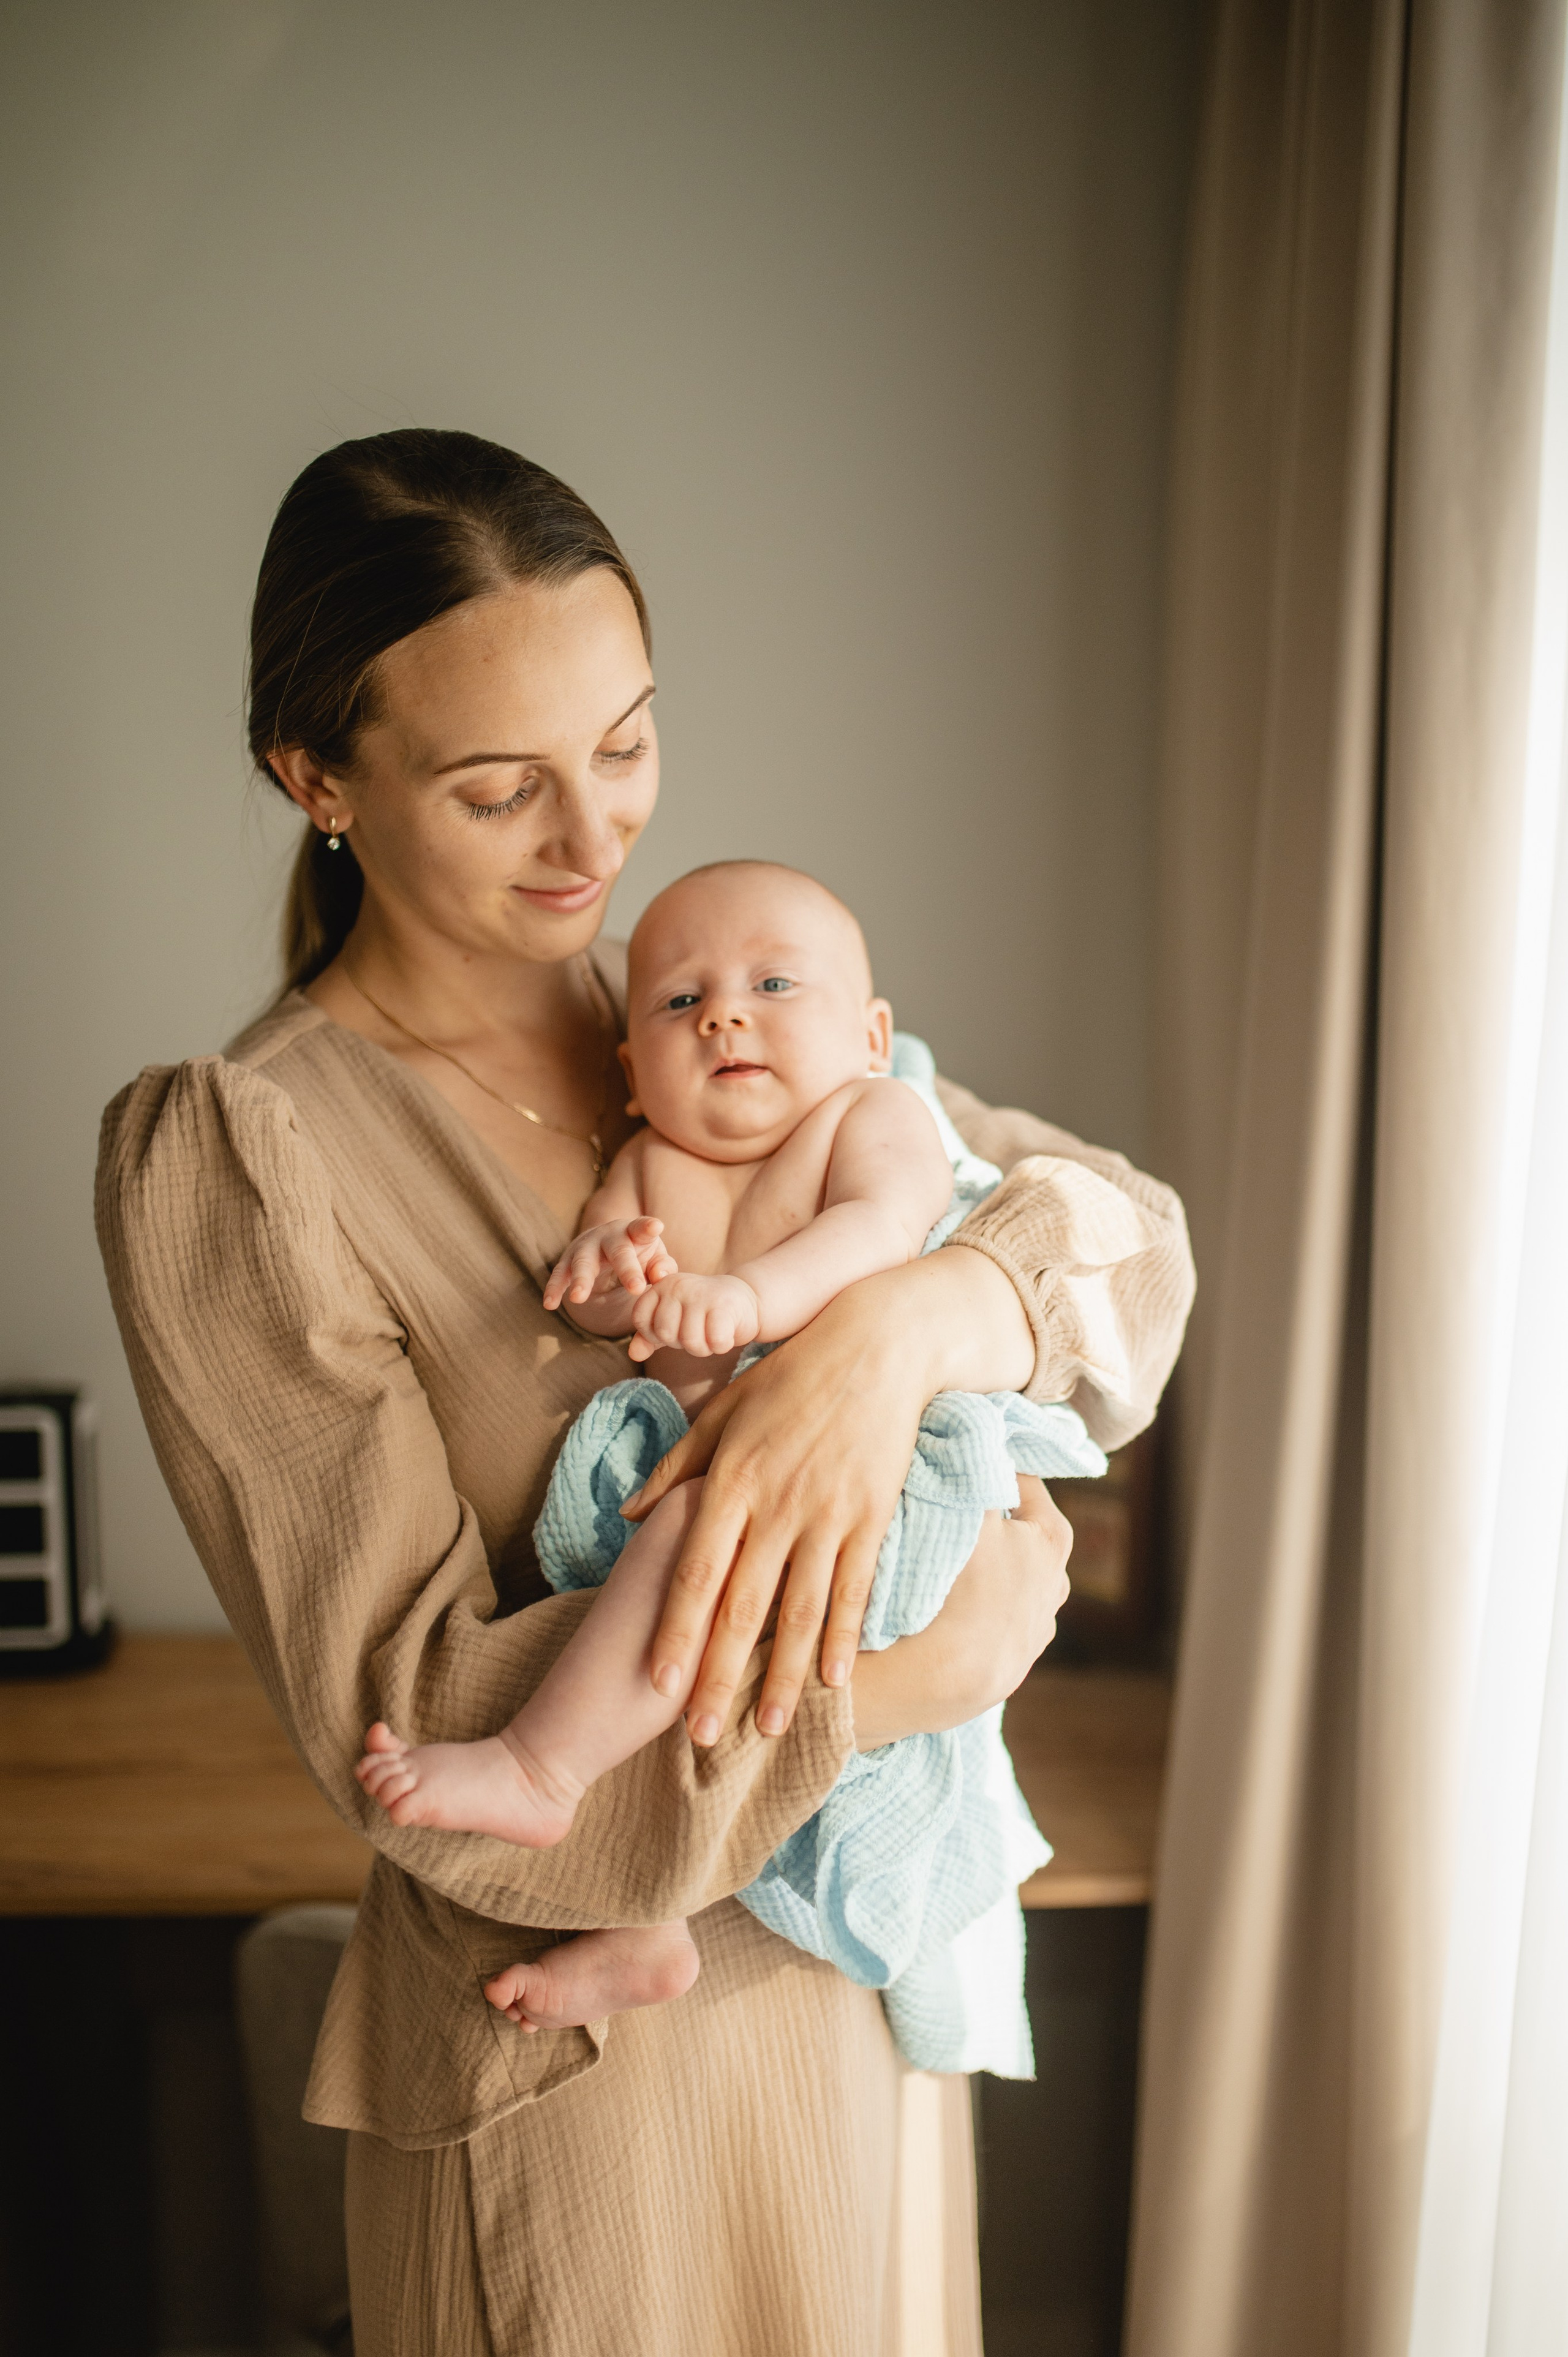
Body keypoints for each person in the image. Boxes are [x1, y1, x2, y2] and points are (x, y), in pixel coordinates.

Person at [96, 429, 1195, 2357]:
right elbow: (423, 1735)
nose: (593, 840)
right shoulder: (248, 1156)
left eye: (624, 744)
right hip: (592, 2112)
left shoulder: (724, 1007)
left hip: (859, 2013)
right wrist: (901, 1686)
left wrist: (898, 1334)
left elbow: (1134, 1256)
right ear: (316, 779)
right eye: (502, 787)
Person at [355, 859, 1107, 2083]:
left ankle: (541, 1767)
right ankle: (649, 1920)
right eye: (677, 1001)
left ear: (870, 1035)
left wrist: (748, 1297)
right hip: (726, 1488)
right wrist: (609, 1278)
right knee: (660, 1614)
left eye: (771, 984)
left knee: (695, 1542)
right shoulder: (651, 1164)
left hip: (881, 1482)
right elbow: (605, 1304)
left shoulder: (871, 1117)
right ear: (631, 1071)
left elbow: (878, 1229)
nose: (723, 1015)